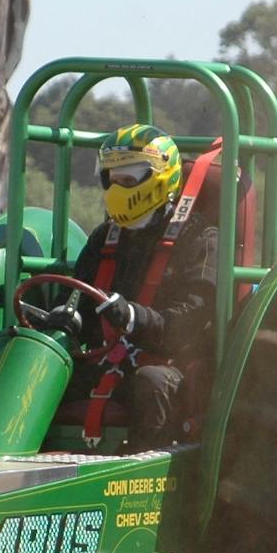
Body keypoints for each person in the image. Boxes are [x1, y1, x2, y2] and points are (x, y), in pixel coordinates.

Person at [58, 124, 218, 452]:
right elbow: (76, 294)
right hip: (103, 360)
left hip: (169, 366)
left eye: (129, 180)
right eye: (111, 179)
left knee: (152, 382)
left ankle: (145, 484)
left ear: (162, 178)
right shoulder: (104, 237)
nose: (118, 189)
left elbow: (190, 322)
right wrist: (64, 317)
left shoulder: (200, 239)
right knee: (45, 366)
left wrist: (132, 316)